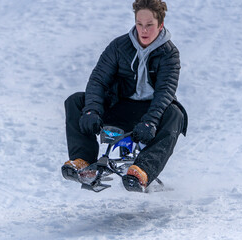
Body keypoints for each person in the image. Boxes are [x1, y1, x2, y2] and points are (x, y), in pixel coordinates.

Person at [61, 0, 188, 192]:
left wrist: (151, 121)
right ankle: (83, 162)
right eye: (139, 24)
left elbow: (165, 93)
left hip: (149, 115)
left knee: (175, 114)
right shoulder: (119, 47)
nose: (143, 30)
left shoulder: (169, 54)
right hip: (119, 107)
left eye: (149, 25)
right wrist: (92, 110)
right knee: (76, 101)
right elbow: (98, 81)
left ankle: (142, 170)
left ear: (160, 25)